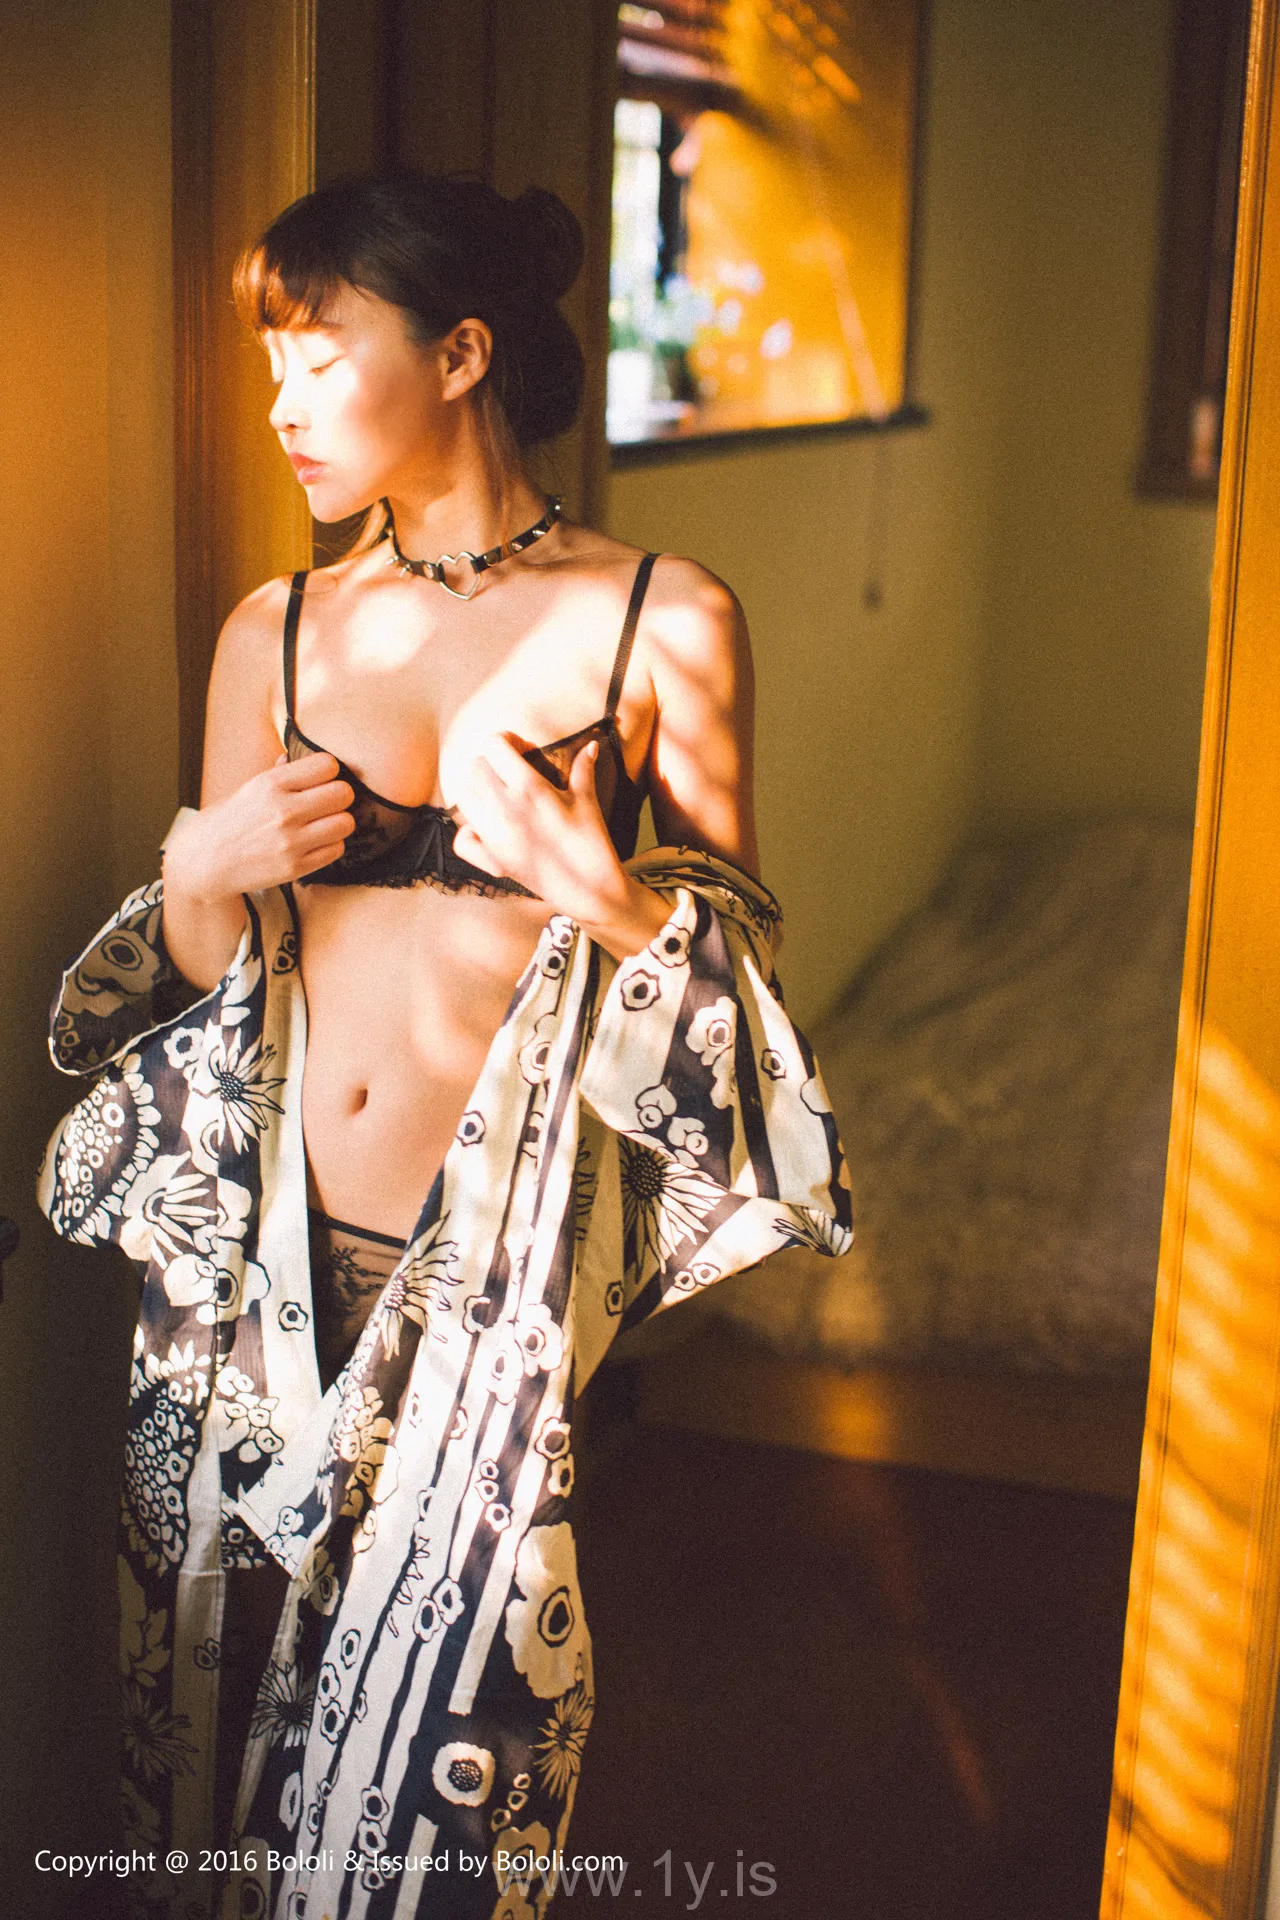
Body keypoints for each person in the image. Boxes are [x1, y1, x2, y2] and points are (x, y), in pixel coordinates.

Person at [39, 171, 852, 1920]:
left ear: (462, 353)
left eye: (320, 358)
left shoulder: (662, 620)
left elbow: (745, 991)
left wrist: (601, 887)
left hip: (480, 1298)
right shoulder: (272, 629)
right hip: (247, 1281)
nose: (281, 404)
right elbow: (215, 985)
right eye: (272, 365)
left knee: (436, 1772)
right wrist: (202, 872)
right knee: (204, 1725)